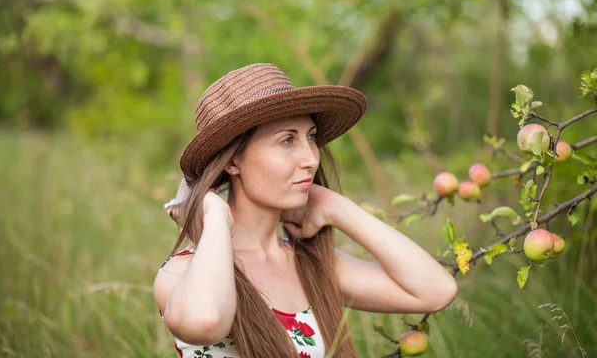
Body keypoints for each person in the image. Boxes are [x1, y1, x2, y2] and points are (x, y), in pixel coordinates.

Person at [153, 63, 458, 358]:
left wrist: (335, 207)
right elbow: (206, 322)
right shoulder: (183, 272)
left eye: (310, 137)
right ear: (233, 162)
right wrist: (216, 217)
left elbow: (436, 290)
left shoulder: (310, 264)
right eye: (287, 140)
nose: (311, 158)